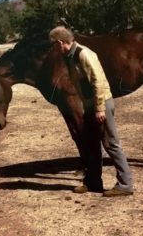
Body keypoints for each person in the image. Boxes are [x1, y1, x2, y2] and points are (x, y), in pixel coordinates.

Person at [49, 26, 133, 197]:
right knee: (91, 143)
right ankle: (93, 182)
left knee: (111, 144)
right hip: (89, 105)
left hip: (100, 105)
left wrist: (100, 108)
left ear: (59, 42)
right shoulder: (70, 56)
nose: (53, 49)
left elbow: (99, 81)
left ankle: (125, 185)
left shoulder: (83, 54)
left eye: (53, 45)